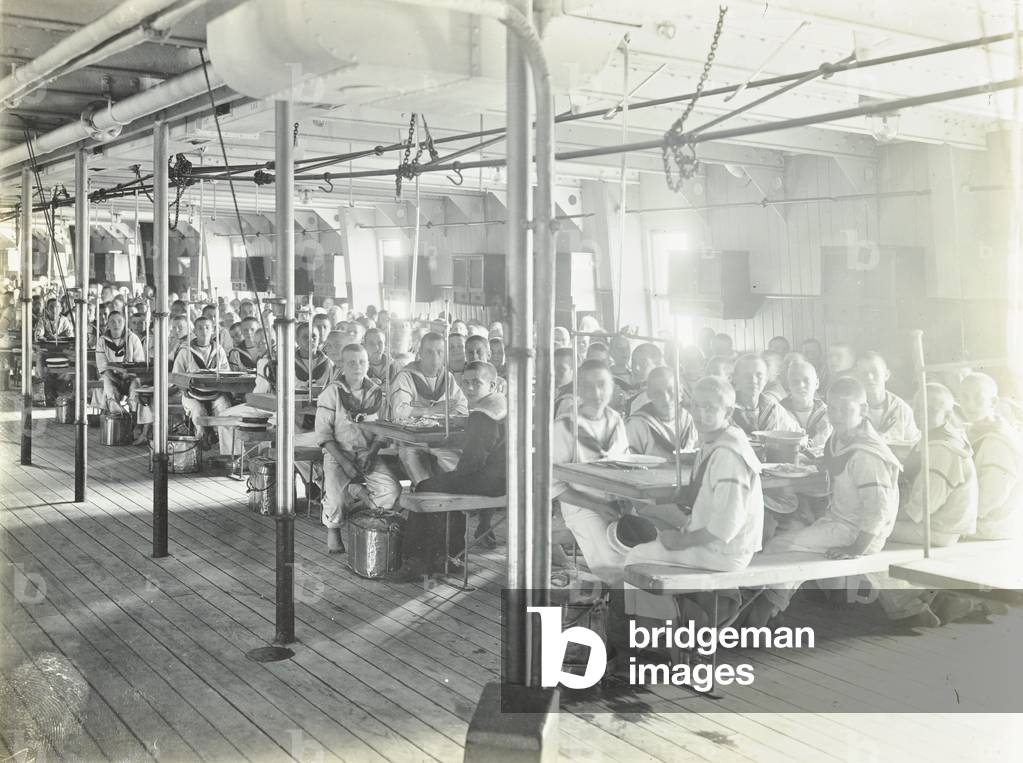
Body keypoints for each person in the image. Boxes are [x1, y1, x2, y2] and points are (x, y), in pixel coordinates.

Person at [748, 378, 903, 626]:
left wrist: (856, 549)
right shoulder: (840, 438)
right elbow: (835, 466)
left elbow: (878, 508)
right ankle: (822, 599)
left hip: (861, 533)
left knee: (781, 545)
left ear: (863, 411)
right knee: (794, 537)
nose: (836, 416)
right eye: (831, 409)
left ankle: (766, 612)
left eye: (845, 410)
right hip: (840, 522)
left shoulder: (866, 453)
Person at [626, 375, 764, 572]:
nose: (700, 414)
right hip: (713, 542)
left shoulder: (728, 454)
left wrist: (682, 541)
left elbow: (726, 526)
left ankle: (636, 603)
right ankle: (681, 602)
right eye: (695, 406)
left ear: (728, 411)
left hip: (724, 552)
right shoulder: (716, 440)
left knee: (636, 556)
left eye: (709, 407)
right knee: (649, 517)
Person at [873, 384, 978, 627]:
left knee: (867, 536)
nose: (921, 414)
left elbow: (920, 510)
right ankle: (932, 597)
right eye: (918, 407)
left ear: (947, 413)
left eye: (931, 409)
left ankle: (907, 607)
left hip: (939, 528)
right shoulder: (939, 435)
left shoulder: (941, 449)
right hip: (940, 523)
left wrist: (882, 517)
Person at [391, 361, 509, 578]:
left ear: (492, 385)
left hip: (490, 482)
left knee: (425, 486)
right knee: (443, 484)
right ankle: (450, 556)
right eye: (466, 383)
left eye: (477, 383)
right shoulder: (501, 403)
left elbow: (472, 463)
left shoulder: (483, 414)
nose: (470, 388)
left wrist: (453, 475)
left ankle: (416, 562)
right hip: (505, 479)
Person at [552, 360, 645, 584]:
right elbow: (552, 487)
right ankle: (617, 609)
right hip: (582, 507)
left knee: (644, 553)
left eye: (602, 384)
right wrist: (597, 506)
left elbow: (623, 466)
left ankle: (636, 610)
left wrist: (626, 501)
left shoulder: (615, 420)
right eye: (588, 386)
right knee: (613, 564)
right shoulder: (563, 427)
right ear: (578, 389)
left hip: (616, 503)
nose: (596, 393)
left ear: (612, 386)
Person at [316, 343, 400, 554]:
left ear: (368, 364)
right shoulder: (332, 392)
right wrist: (344, 462)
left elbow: (383, 430)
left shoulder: (377, 394)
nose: (357, 366)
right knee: (335, 500)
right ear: (342, 365)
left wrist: (372, 453)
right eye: (351, 362)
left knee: (392, 491)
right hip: (338, 453)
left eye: (362, 361)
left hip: (366, 453)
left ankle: (356, 495)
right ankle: (333, 530)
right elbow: (324, 435)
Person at [389, 332, 469, 482]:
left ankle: (446, 500)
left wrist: (421, 413)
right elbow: (399, 412)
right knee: (414, 463)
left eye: (439, 352)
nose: (435, 358)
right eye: (429, 352)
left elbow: (462, 407)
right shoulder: (405, 377)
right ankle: (422, 493)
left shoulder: (447, 377)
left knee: (454, 467)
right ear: (420, 354)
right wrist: (432, 411)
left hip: (441, 441)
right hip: (411, 443)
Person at [959, 373, 1023, 539]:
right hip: (972, 517)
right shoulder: (969, 430)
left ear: (993, 402)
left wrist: (958, 517)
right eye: (964, 397)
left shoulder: (998, 440)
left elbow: (993, 495)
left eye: (978, 399)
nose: (969, 405)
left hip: (992, 524)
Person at [173, 316, 231, 444]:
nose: (204, 331)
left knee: (224, 406)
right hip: (192, 393)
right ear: (194, 331)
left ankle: (221, 438)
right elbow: (176, 375)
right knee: (198, 410)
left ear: (213, 330)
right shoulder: (185, 351)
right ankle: (201, 438)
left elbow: (226, 372)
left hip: (214, 392)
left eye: (207, 327)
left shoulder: (219, 350)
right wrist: (185, 387)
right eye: (200, 328)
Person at [625, 366, 697, 460]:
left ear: (680, 392)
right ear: (649, 395)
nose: (666, 399)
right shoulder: (637, 424)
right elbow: (628, 463)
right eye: (658, 393)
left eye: (671, 391)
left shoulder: (688, 419)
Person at [729, 354, 801, 437]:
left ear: (766, 380)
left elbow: (800, 435)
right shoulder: (726, 410)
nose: (753, 381)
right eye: (747, 375)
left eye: (759, 375)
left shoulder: (773, 408)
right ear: (735, 379)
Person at [857, 351, 921, 443]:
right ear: (857, 377)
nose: (869, 377)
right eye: (864, 373)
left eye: (874, 372)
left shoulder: (902, 409)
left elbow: (913, 445)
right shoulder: (852, 409)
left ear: (886, 375)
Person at [94, 311, 146, 413]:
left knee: (135, 387)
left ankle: (134, 413)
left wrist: (128, 376)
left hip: (131, 376)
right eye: (112, 321)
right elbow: (103, 367)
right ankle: (117, 413)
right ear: (108, 324)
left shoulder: (133, 339)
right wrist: (118, 380)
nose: (116, 324)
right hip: (111, 376)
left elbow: (140, 364)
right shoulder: (102, 341)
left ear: (124, 323)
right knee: (109, 386)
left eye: (119, 321)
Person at [781, 359, 833, 448]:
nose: (801, 385)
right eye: (795, 382)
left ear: (816, 383)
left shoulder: (827, 414)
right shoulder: (779, 412)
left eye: (806, 381)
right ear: (788, 385)